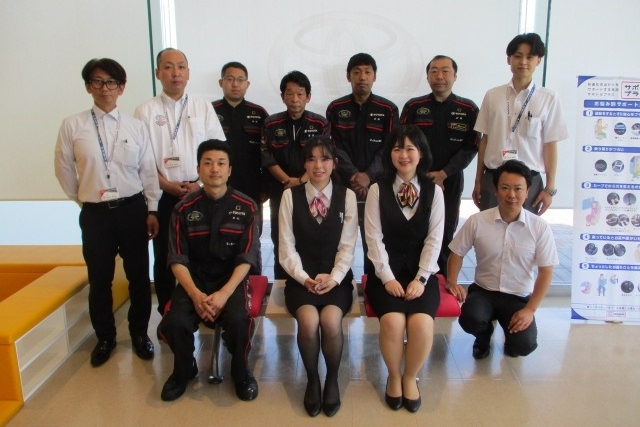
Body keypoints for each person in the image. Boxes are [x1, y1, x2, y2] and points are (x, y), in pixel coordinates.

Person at [54, 58, 161, 367]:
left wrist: (152, 209)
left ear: (121, 88)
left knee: (138, 276)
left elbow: (147, 171)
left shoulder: (135, 126)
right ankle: (105, 337)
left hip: (132, 210)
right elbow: (63, 169)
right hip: (96, 215)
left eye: (111, 82)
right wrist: (84, 200)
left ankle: (139, 333)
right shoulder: (72, 125)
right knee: (100, 278)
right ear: (88, 86)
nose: (105, 88)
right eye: (98, 82)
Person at [157, 139, 261, 402]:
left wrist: (224, 294)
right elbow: (177, 258)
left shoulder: (246, 206)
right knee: (173, 323)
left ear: (229, 170)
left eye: (221, 163)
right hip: (195, 279)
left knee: (239, 320)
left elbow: (247, 257)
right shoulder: (183, 208)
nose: (215, 169)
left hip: (232, 280)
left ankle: (241, 373)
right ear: (198, 169)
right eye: (208, 163)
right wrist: (194, 295)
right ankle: (183, 370)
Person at [134, 48, 226, 315]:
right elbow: (141, 158)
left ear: (188, 73)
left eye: (181, 67)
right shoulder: (145, 111)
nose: (175, 73)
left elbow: (218, 149)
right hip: (163, 194)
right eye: (168, 67)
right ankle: (167, 315)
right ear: (157, 73)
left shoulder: (201, 106)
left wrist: (200, 183)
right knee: (164, 256)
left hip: (200, 192)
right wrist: (164, 184)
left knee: (201, 253)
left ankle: (202, 309)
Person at [364, 125, 445, 413]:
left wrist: (421, 278)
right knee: (393, 322)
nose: (404, 154)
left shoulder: (435, 192)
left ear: (421, 154)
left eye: (410, 148)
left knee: (422, 323)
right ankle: (394, 376)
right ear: (390, 154)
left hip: (422, 274)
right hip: (384, 275)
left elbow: (435, 239)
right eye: (397, 148)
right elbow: (373, 238)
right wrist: (387, 278)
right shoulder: (377, 190)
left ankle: (410, 377)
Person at [447, 160, 558, 360]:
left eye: (518, 189)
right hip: (484, 292)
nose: (511, 195)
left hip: (518, 297)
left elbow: (546, 272)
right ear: (495, 190)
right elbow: (456, 252)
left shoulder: (540, 228)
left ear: (527, 191)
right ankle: (483, 337)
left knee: (523, 346)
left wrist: (530, 310)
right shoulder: (477, 221)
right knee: (471, 319)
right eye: (505, 188)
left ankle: (511, 335)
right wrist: (452, 281)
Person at [278, 137, 358, 417]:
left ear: (334, 163)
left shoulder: (347, 196)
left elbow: (348, 247)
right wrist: (304, 278)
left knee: (331, 320)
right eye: (311, 159)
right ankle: (313, 380)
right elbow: (286, 247)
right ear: (304, 164)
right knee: (309, 321)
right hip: (301, 280)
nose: (318, 165)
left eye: (324, 159)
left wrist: (334, 278)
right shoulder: (290, 196)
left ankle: (332, 380)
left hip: (337, 280)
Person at [400, 55, 480, 276]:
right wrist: (422, 174)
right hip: (415, 179)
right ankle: (413, 277)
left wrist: (444, 173)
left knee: (445, 230)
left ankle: (441, 280)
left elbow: (472, 147)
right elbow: (402, 143)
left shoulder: (468, 108)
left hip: (450, 181)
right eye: (434, 71)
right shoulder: (414, 106)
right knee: (412, 227)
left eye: (445, 71)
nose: (439, 76)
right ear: (427, 77)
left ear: (455, 76)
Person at [472, 33, 568, 215]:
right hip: (493, 178)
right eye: (517, 56)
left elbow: (550, 144)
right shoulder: (493, 95)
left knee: (526, 230)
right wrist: (478, 180)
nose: (523, 62)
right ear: (509, 59)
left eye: (530, 57)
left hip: (529, 181)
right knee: (489, 229)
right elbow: (485, 140)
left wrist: (550, 188)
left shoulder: (549, 98)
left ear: (538, 60)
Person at [326, 53, 399, 277]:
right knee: (339, 238)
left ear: (375, 76)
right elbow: (334, 146)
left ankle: (374, 282)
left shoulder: (388, 109)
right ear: (348, 76)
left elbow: (390, 147)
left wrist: (368, 175)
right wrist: (354, 175)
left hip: (378, 185)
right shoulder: (335, 108)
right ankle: (339, 283)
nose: (362, 77)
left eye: (367, 72)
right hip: (343, 184)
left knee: (375, 239)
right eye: (356, 72)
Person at [261, 70, 329, 279]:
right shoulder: (271, 123)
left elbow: (324, 157)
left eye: (300, 94)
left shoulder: (320, 123)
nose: (295, 99)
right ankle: (282, 282)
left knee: (310, 235)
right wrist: (287, 180)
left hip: (311, 188)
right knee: (280, 236)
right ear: (282, 97)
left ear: (308, 97)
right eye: (289, 94)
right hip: (280, 189)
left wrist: (300, 181)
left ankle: (311, 280)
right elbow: (266, 156)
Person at [212, 61, 269, 234]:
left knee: (252, 232)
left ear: (247, 84)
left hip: (252, 184)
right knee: (219, 230)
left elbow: (267, 152)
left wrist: (265, 185)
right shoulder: (209, 111)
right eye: (230, 79)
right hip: (218, 183)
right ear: (221, 82)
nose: (235, 84)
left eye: (240, 80)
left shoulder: (259, 113)